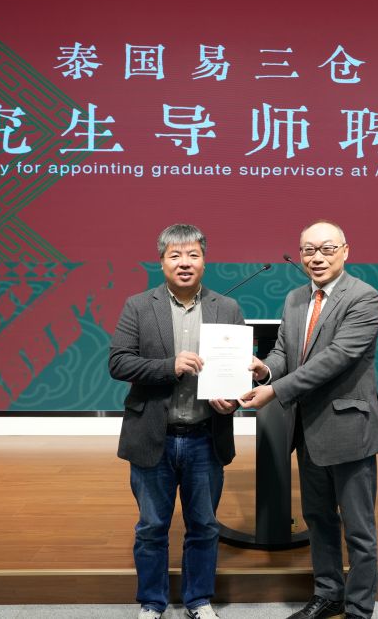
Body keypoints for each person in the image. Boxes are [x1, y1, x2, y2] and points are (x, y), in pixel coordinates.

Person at [240, 220, 378, 619]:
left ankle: (359, 608)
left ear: (346, 251)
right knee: (318, 519)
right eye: (309, 250)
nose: (317, 257)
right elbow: (284, 352)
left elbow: (335, 358)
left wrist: (276, 390)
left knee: (358, 527)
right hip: (307, 429)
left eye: (327, 248)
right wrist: (264, 370)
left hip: (350, 429)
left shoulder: (364, 297)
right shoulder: (295, 299)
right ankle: (328, 594)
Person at [108, 224, 244, 619]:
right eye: (176, 255)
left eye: (193, 255)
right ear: (162, 262)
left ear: (204, 261)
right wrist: (170, 366)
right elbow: (119, 362)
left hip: (205, 437)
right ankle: (152, 602)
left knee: (204, 525)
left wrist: (232, 400)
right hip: (154, 436)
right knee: (152, 526)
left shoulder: (227, 308)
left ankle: (198, 600)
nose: (185, 263)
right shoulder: (138, 305)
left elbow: (235, 373)